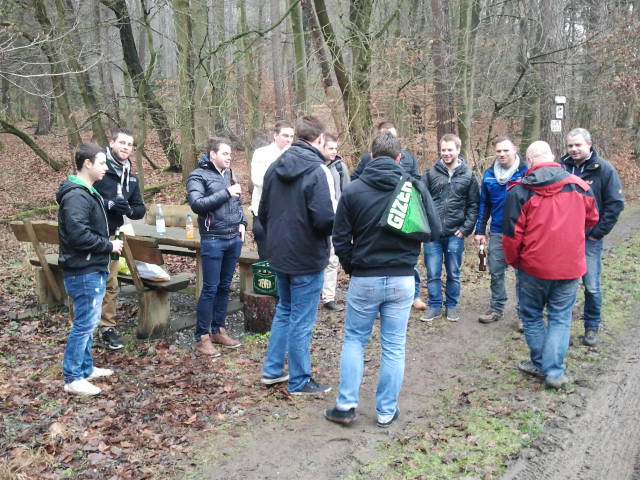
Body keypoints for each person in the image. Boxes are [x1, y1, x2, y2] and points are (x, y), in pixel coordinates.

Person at [324, 132, 438, 427]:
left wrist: (353, 268)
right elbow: (434, 231)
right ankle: (386, 411)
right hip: (402, 279)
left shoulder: (353, 190)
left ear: (371, 156)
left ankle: (346, 406)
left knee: (354, 340)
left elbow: (340, 238)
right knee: (394, 346)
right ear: (400, 158)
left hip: (365, 278)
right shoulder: (413, 187)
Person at [503, 141, 599, 389]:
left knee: (532, 316)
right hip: (569, 266)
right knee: (560, 318)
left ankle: (541, 364)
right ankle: (554, 371)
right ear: (553, 156)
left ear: (529, 161)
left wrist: (515, 261)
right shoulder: (580, 187)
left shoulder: (520, 191)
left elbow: (511, 236)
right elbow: (592, 219)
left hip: (532, 268)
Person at [259, 115, 335, 395]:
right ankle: (300, 380)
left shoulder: (274, 167)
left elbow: (263, 211)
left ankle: (272, 370)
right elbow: (325, 219)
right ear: (319, 139)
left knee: (285, 311)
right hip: (306, 256)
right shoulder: (318, 171)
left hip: (280, 254)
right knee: (301, 320)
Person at [57, 144, 124, 395]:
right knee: (84, 324)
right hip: (83, 268)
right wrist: (108, 245)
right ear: (87, 163)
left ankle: (85, 368)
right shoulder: (76, 195)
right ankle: (73, 377)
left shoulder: (86, 191)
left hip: (90, 265)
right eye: (102, 163)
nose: (106, 167)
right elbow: (78, 234)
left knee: (90, 320)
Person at [351, 121, 427, 311]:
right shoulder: (367, 158)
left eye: (391, 134)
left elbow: (417, 182)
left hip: (402, 214)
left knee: (407, 257)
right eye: (385, 133)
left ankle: (415, 295)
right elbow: (355, 180)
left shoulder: (408, 158)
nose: (388, 136)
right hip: (373, 215)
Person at [560, 128, 624, 346]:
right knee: (563, 283)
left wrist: (598, 233)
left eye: (578, 145)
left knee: (591, 284)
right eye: (570, 145)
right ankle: (562, 325)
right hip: (564, 238)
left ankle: (591, 326)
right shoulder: (561, 168)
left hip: (589, 239)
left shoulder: (603, 169)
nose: (573, 149)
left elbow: (615, 204)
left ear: (589, 144)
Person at [187, 137, 247, 355]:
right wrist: (227, 192)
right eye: (225, 153)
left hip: (233, 239)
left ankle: (218, 330)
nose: (229, 157)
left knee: (225, 286)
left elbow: (237, 204)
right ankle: (202, 337)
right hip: (213, 239)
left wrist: (243, 222)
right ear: (212, 154)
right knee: (210, 288)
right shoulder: (198, 175)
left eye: (230, 154)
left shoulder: (230, 175)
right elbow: (197, 205)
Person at [93, 128, 146, 350]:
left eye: (129, 144)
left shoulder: (130, 177)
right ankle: (83, 328)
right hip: (90, 234)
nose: (126, 147)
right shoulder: (98, 167)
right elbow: (84, 193)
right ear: (112, 143)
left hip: (113, 236)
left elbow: (140, 208)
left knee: (111, 284)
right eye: (122, 143)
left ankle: (107, 328)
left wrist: (129, 210)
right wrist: (108, 204)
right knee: (89, 282)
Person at [421, 133, 479, 322]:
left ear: (458, 150)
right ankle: (434, 306)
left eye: (450, 150)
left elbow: (473, 205)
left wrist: (466, 229)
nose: (446, 153)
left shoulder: (468, 176)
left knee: (453, 273)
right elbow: (421, 200)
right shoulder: (430, 174)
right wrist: (425, 226)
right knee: (433, 273)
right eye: (443, 150)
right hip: (433, 234)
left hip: (456, 233)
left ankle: (451, 306)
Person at [474, 136, 528, 325]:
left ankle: (524, 315)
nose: (502, 154)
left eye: (506, 150)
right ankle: (496, 308)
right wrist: (480, 230)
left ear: (515, 149)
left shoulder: (526, 172)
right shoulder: (489, 175)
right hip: (498, 231)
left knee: (523, 274)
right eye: (498, 151)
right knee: (496, 271)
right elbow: (484, 204)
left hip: (523, 232)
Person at [250, 121, 294, 260]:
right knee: (267, 259)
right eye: (285, 135)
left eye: (291, 136)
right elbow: (258, 180)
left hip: (288, 215)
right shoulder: (261, 153)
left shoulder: (296, 155)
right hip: (264, 213)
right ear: (275, 135)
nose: (289, 140)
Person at [321, 133, 350, 312]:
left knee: (332, 259)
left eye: (335, 148)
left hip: (335, 219)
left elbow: (347, 193)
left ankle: (328, 297)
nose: (333, 152)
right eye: (330, 148)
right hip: (316, 220)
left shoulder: (340, 167)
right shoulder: (313, 167)